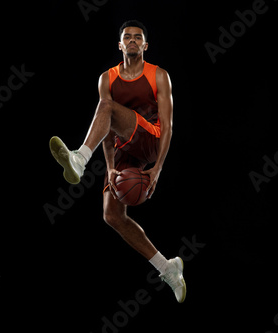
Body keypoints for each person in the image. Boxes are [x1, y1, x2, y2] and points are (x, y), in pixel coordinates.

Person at [49, 20, 185, 302]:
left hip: (152, 140)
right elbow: (107, 130)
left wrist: (158, 168)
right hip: (125, 146)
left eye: (138, 37)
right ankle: (168, 268)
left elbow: (169, 126)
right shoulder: (106, 78)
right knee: (111, 215)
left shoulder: (159, 75)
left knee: (108, 107)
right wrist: (110, 167)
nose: (132, 41)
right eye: (127, 37)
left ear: (145, 45)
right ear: (120, 45)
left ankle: (80, 158)